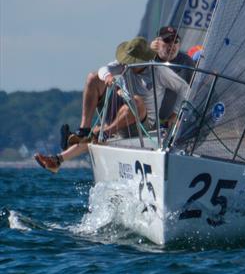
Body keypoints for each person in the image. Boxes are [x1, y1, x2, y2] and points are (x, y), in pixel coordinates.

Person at [33, 37, 190, 173]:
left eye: (132, 61)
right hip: (122, 117)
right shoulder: (124, 64)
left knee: (136, 102)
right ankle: (64, 153)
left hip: (144, 124)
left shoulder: (159, 71)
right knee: (93, 78)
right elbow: (103, 70)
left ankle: (102, 133)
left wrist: (175, 114)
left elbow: (184, 88)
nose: (127, 63)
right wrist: (108, 77)